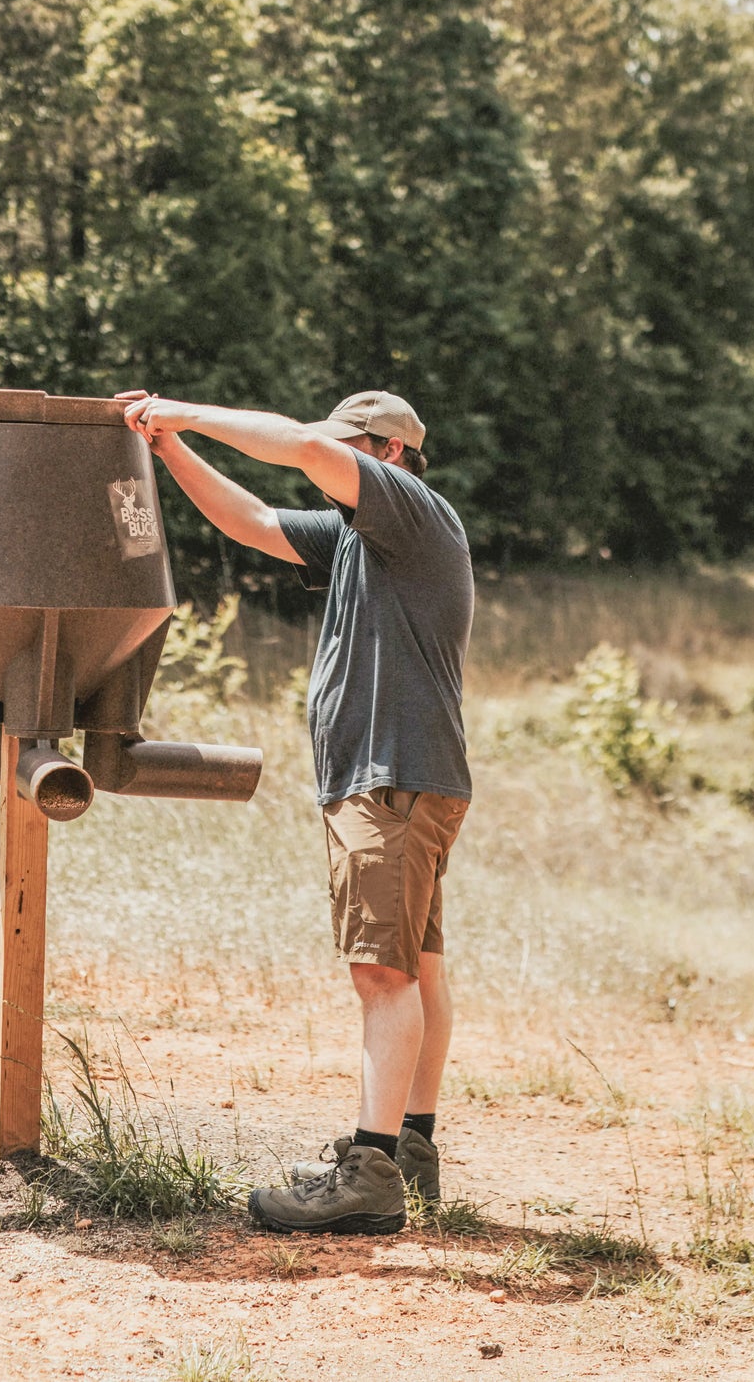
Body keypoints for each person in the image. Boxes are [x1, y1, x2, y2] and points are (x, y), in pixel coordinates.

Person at [117, 387, 474, 1236]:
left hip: (388, 780)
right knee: (415, 966)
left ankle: (369, 1173)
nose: (330, 463)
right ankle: (410, 1150)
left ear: (388, 454)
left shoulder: (407, 506)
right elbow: (249, 520)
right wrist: (168, 447)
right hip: (404, 777)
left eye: (349, 448)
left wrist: (186, 410)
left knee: (380, 974)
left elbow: (304, 450)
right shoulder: (363, 533)